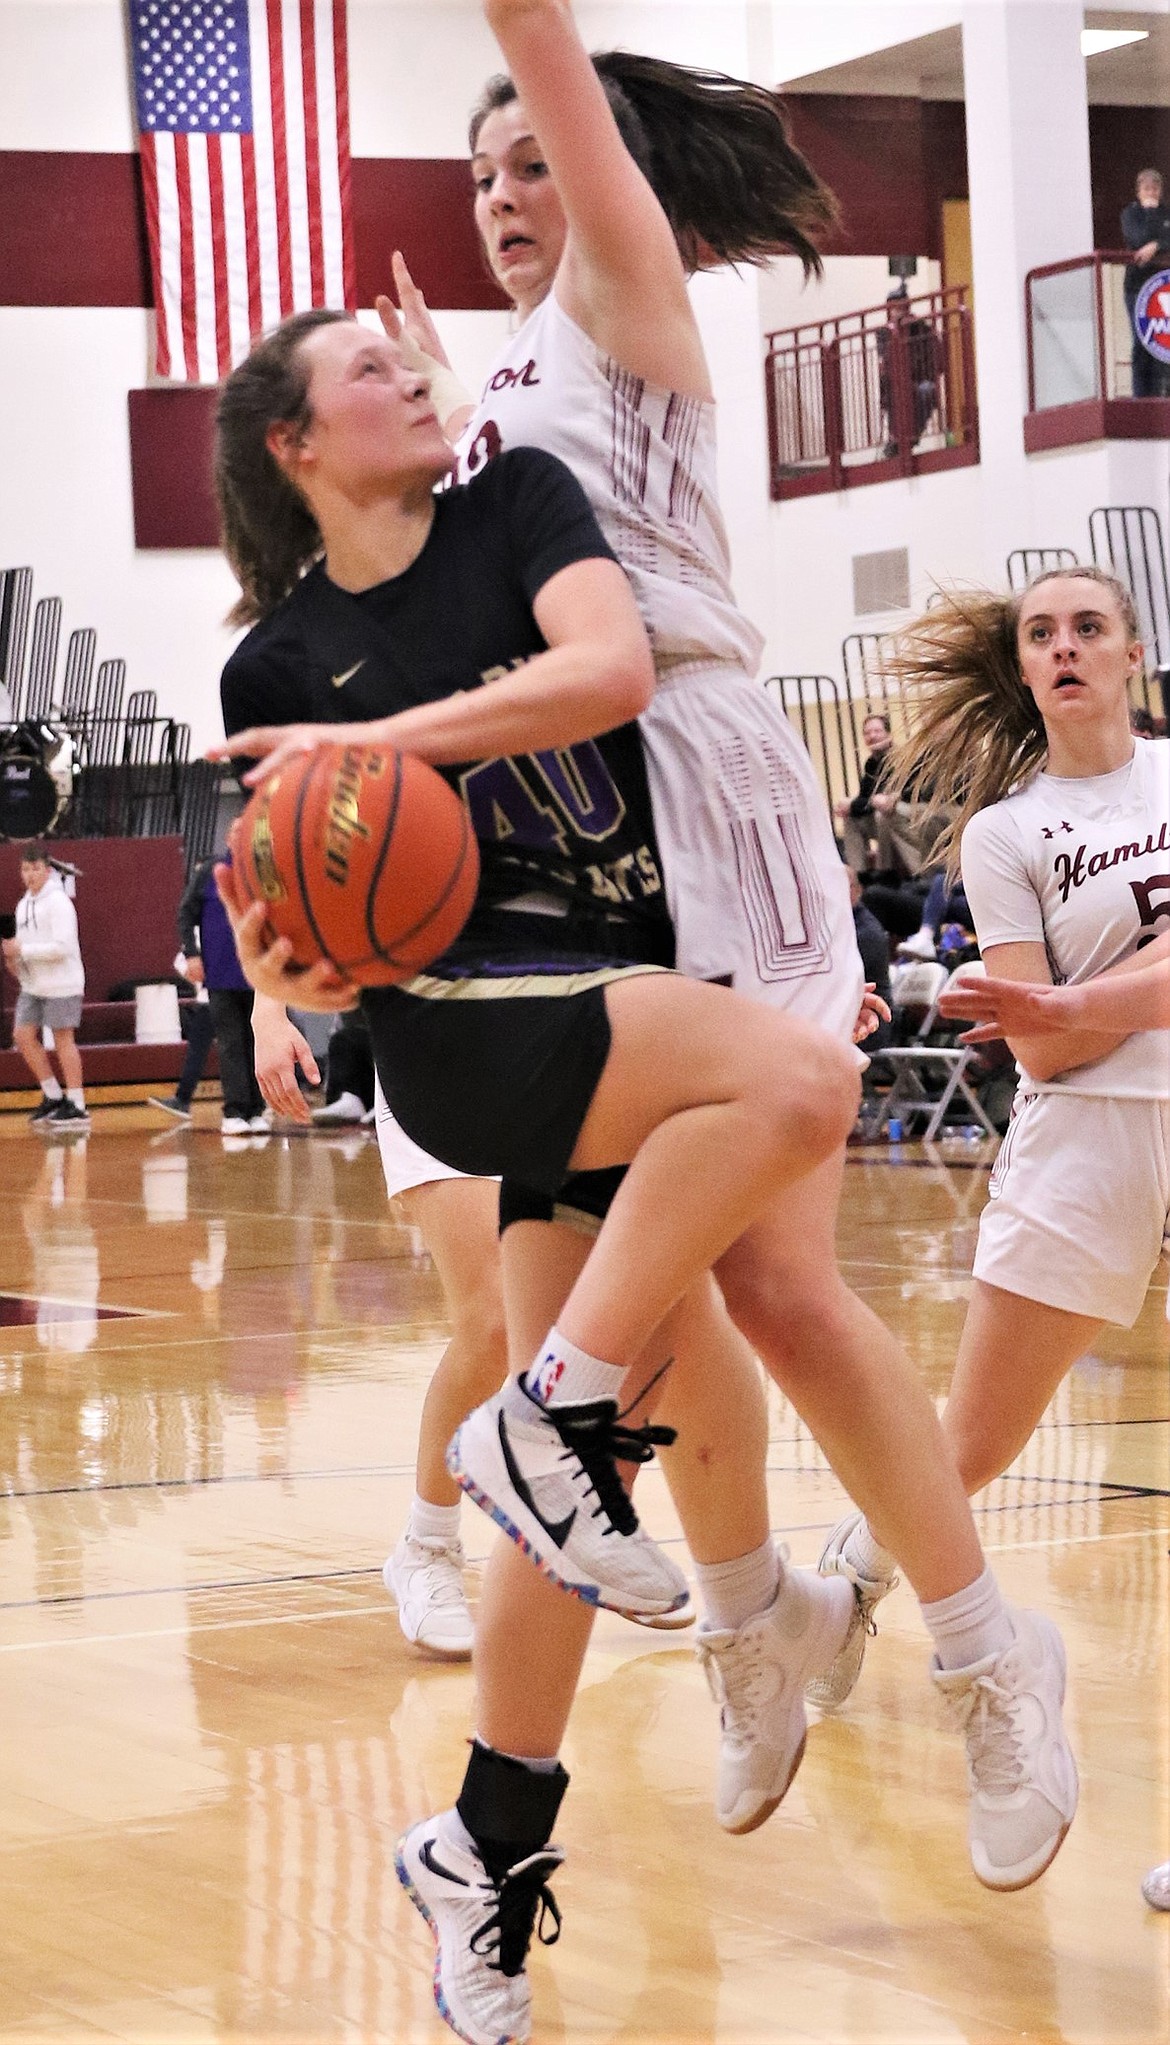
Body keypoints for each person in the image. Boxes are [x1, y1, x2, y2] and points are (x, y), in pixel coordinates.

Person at [361, 9, 1080, 2034]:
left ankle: (949, 1645)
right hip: (554, 850)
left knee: (758, 1290)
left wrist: (534, 56)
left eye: (535, 163)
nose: (507, 195)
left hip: (703, 782)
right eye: (478, 173)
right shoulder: (489, 389)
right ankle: (751, 1630)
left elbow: (567, 113)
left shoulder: (627, 290)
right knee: (656, 1312)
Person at [808, 569, 1168, 1813]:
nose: (1064, 647)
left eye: (1087, 627)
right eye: (1040, 634)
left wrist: (1079, 995)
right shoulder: (1008, 832)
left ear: (1132, 651)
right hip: (1086, 1135)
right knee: (973, 1436)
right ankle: (856, 1569)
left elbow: (1061, 1010)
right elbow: (1043, 1047)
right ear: (1023, 670)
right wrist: (1084, 1007)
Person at [175, 854, 269, 1136]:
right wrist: (191, 953)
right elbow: (185, 913)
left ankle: (257, 1109)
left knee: (257, 1041)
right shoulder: (210, 871)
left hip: (259, 976)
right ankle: (235, 1110)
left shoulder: (264, 870)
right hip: (220, 974)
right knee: (230, 1043)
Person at [3, 847, 89, 1128]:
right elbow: (25, 946)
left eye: (35, 869)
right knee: (23, 1036)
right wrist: (16, 963)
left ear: (47, 870)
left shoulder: (59, 903)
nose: (29, 875)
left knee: (64, 1039)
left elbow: (62, 948)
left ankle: (77, 1104)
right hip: (34, 985)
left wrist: (23, 950)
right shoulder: (23, 904)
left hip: (62, 983)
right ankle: (53, 1095)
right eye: (25, 870)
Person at [1121, 168, 1170, 399]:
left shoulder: (1167, 214)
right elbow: (1136, 238)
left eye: (1155, 188)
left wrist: (1156, 246)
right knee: (1142, 339)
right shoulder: (1131, 214)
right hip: (1137, 287)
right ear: (1139, 192)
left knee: (1165, 342)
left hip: (1164, 287)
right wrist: (1150, 214)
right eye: (1147, 189)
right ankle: (1141, 398)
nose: (1151, 193)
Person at [834, 712, 896, 871]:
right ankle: (860, 874)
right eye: (867, 733)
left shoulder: (897, 759)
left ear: (888, 734)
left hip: (898, 818)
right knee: (851, 818)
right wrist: (850, 806)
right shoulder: (871, 763)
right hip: (881, 817)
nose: (872, 736)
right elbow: (866, 798)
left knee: (881, 815)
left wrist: (853, 804)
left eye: (877, 731)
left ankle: (886, 873)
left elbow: (885, 800)